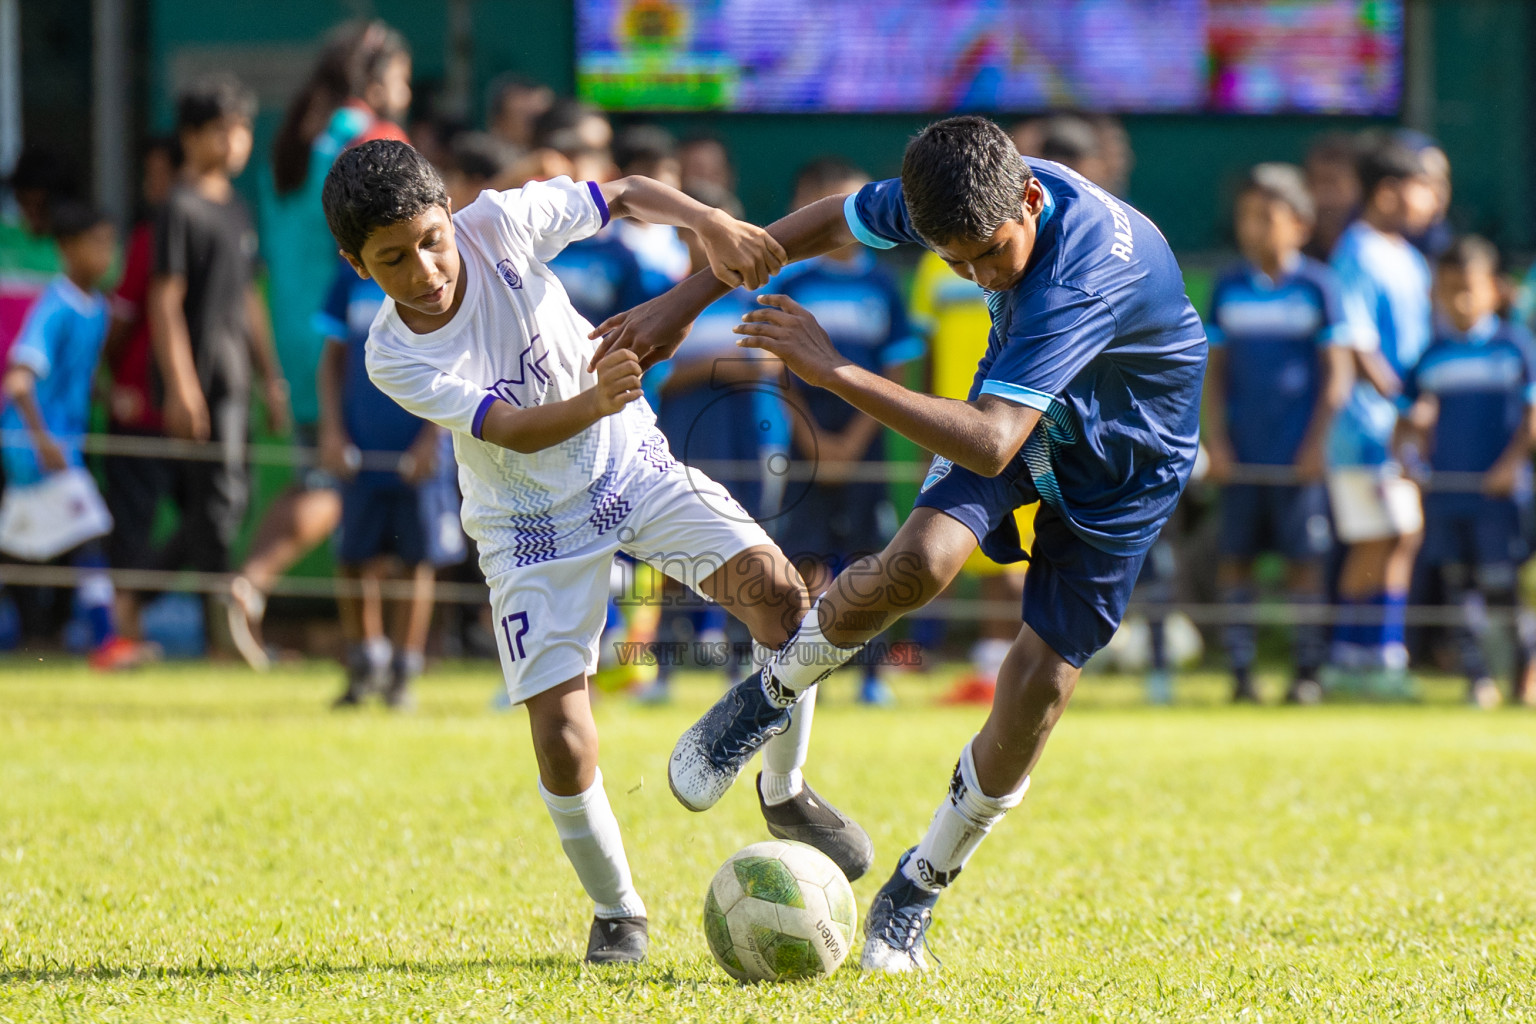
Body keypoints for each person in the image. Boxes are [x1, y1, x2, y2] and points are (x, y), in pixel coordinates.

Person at [593, 115, 1207, 971]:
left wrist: (832, 370)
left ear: (1031, 198)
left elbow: (991, 441)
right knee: (918, 561)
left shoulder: (1085, 268)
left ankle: (916, 886)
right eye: (953, 261)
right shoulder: (966, 190)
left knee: (1037, 686)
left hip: (1125, 463)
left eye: (990, 254)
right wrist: (682, 301)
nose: (977, 273)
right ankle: (765, 694)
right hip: (1022, 414)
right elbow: (828, 218)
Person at [321, 139, 871, 963]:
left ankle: (784, 789)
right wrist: (596, 396)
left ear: (449, 215)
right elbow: (504, 427)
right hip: (530, 527)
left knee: (783, 599)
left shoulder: (498, 222)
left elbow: (627, 193)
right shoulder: (392, 353)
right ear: (356, 266)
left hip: (630, 464)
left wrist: (709, 220)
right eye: (391, 260)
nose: (425, 269)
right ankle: (620, 913)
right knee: (564, 739)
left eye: (431, 239)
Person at [230, 21, 413, 667]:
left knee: (323, 472)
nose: (407, 90)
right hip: (358, 335)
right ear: (371, 78)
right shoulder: (373, 140)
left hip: (296, 334)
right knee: (342, 488)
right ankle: (253, 586)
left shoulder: (294, 138)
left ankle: (252, 591)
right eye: (400, 76)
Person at [773, 158, 924, 706]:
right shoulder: (795, 285)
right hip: (803, 448)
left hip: (868, 446)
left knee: (871, 561)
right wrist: (814, 440)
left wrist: (854, 442)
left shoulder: (884, 287)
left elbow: (896, 372)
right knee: (803, 562)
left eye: (854, 209)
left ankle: (871, 676)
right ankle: (799, 675)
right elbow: (777, 374)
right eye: (831, 210)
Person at [1203, 164, 1352, 704]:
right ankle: (1241, 677)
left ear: (1300, 224)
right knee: (1236, 559)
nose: (1254, 227)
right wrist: (1216, 439)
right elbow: (1214, 372)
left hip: (1298, 458)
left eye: (1267, 216)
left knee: (1304, 565)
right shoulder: (1227, 285)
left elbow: (1338, 374)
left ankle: (1305, 675)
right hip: (1243, 455)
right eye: (1246, 216)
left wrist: (1316, 444)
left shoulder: (1320, 286)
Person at [150, 76, 288, 624]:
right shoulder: (178, 207)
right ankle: (212, 628)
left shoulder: (237, 206)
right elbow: (165, 300)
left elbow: (250, 299)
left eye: (242, 130)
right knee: (215, 505)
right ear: (189, 136)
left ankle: (142, 595)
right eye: (221, 131)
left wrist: (270, 378)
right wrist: (181, 385)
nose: (235, 142)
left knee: (232, 500)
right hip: (199, 379)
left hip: (236, 380)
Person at [636, 183, 776, 705]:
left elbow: (771, 362)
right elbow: (655, 376)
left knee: (751, 552)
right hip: (683, 441)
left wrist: (703, 368)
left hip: (751, 442)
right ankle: (664, 671)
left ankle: (743, 668)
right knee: (671, 558)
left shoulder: (761, 293)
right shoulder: (661, 294)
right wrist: (726, 366)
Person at [0, 201, 141, 669]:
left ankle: (39, 636)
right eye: (96, 243)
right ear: (66, 249)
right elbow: (19, 379)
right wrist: (42, 442)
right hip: (35, 446)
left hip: (59, 445)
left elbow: (78, 372)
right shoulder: (55, 305)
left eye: (110, 243)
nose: (107, 254)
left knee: (18, 547)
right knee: (89, 532)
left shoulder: (96, 307)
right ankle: (106, 640)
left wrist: (109, 395)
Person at [1398, 237, 1536, 708]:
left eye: (1469, 289)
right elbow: (1406, 420)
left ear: (1495, 290)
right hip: (1448, 496)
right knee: (1460, 590)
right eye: (1449, 289)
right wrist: (1411, 464)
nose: (1460, 301)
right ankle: (1477, 679)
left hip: (1500, 498)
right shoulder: (1433, 354)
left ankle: (1523, 676)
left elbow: (1532, 417)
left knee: (1503, 588)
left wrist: (1509, 466)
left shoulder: (1516, 347)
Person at [1326, 138, 1437, 690]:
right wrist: (1403, 406)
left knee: (1401, 534)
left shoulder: (1410, 256)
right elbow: (1357, 344)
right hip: (1365, 430)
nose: (1431, 199)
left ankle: (1383, 654)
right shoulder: (1357, 252)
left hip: (1403, 431)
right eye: (1422, 187)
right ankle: (1351, 657)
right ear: (1391, 191)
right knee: (1378, 535)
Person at [315, 258, 440, 709]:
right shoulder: (349, 279)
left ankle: (404, 671)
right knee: (353, 558)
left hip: (417, 452)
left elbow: (460, 363)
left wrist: (433, 439)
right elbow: (330, 361)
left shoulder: (434, 275)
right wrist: (330, 430)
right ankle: (364, 661)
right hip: (358, 446)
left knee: (417, 561)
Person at [101, 137, 181, 644]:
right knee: (132, 522)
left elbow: (123, 321)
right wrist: (112, 384)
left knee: (206, 521)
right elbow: (123, 320)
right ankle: (125, 631)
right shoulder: (150, 238)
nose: (151, 186)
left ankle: (132, 603)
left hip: (178, 407)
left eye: (158, 174)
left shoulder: (163, 235)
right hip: (140, 405)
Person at [1302, 132, 1361, 264]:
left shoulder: (1373, 247)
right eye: (1314, 182)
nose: (1324, 196)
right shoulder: (1294, 247)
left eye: (1332, 183)